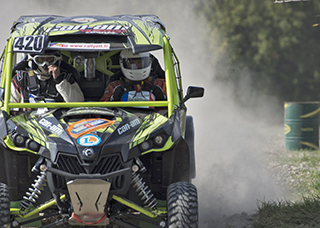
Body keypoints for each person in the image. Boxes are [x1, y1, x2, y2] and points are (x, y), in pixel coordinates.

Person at [11, 50, 84, 104]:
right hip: (28, 122)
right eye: (41, 60)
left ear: (56, 60)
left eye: (49, 59)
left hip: (59, 122)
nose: (45, 64)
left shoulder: (66, 77)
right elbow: (9, 110)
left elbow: (79, 103)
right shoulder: (21, 78)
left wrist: (59, 80)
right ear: (33, 62)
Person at [100, 49, 166, 102]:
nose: (136, 66)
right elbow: (103, 112)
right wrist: (113, 100)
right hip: (122, 118)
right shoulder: (114, 86)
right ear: (123, 63)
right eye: (131, 63)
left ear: (148, 61)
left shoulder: (162, 84)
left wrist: (163, 99)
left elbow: (174, 109)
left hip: (155, 117)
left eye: (140, 62)